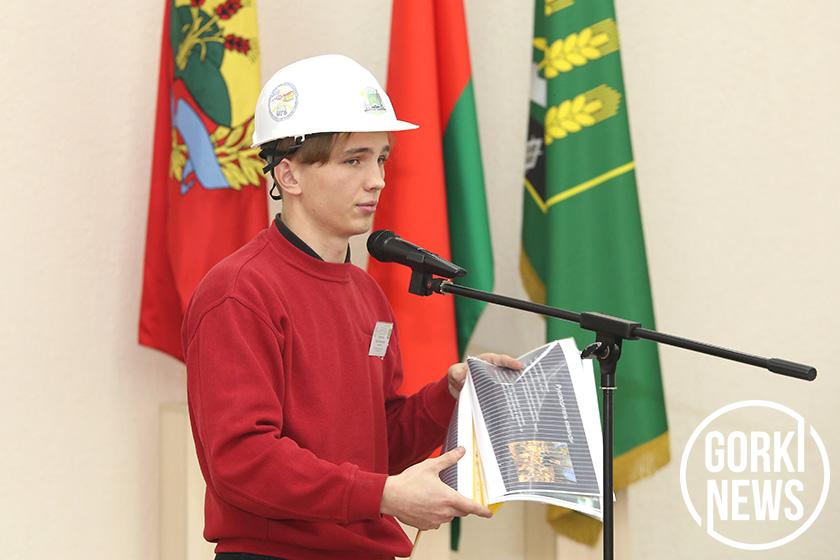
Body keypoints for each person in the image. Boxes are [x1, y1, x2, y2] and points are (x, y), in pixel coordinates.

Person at [182, 54, 522, 560]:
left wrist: (447, 395)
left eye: (381, 159)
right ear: (289, 175)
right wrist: (383, 495)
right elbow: (242, 461)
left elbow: (375, 447)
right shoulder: (239, 292)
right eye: (354, 161)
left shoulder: (366, 294)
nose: (377, 180)